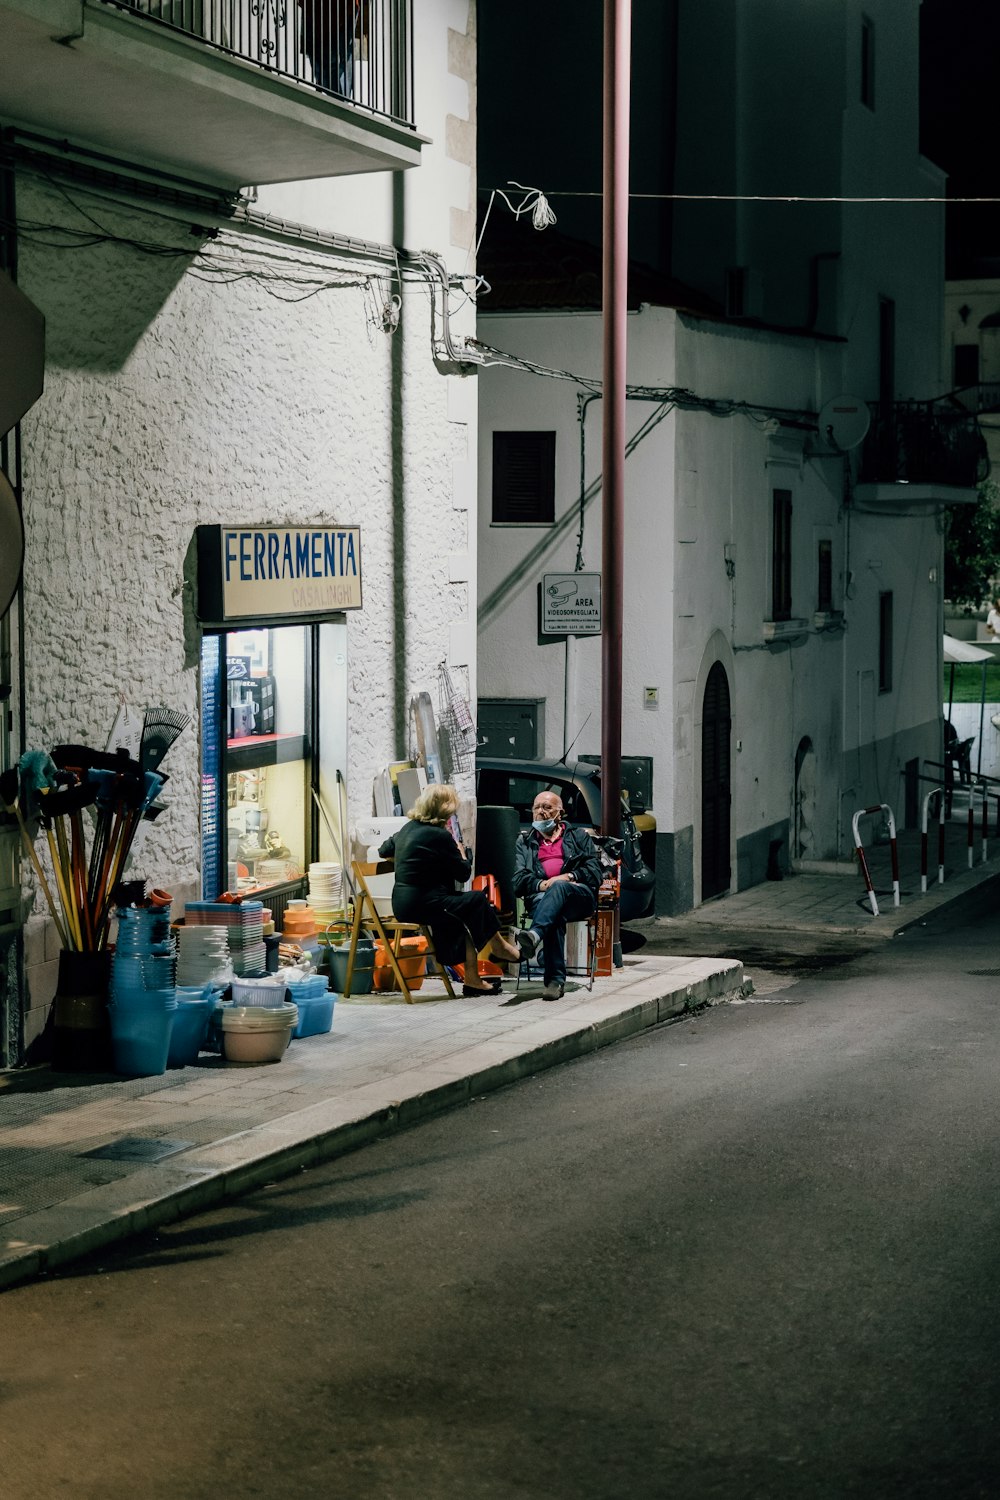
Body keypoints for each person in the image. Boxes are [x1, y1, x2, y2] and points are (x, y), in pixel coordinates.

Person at [378, 783, 521, 995]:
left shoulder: (407, 829)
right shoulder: (440, 836)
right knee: (477, 900)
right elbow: (463, 874)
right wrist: (462, 852)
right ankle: (499, 947)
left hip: (402, 903)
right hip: (423, 903)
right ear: (444, 809)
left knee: (465, 916)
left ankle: (473, 980)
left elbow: (383, 850)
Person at [513, 790, 603, 1002]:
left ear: (560, 813)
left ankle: (535, 936)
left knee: (559, 889)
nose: (541, 812)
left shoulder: (578, 836)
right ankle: (554, 981)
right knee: (554, 913)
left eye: (547, 808)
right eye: (537, 808)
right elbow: (518, 881)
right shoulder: (525, 842)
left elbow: (595, 872)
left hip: (578, 897)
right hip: (542, 900)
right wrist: (544, 884)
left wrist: (568, 876)